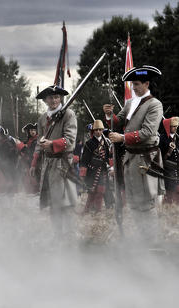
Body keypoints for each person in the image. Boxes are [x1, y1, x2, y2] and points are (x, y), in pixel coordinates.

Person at [104, 65, 164, 243]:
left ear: (147, 84)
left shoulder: (155, 104)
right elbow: (118, 121)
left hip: (146, 160)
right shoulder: (130, 103)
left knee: (146, 204)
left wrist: (122, 138)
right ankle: (142, 238)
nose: (134, 88)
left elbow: (147, 132)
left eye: (137, 84)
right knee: (134, 202)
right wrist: (110, 115)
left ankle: (152, 242)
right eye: (132, 85)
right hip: (131, 159)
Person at [29, 85, 78, 240]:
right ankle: (58, 236)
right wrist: (34, 162)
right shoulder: (43, 119)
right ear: (45, 100)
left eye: (57, 97)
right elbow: (39, 143)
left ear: (61, 98)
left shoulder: (68, 114)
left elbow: (70, 141)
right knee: (52, 203)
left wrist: (52, 144)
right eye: (50, 98)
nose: (54, 100)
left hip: (63, 164)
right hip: (48, 165)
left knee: (66, 203)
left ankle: (69, 236)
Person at [79, 120, 112, 213]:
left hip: (103, 169)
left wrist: (111, 166)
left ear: (102, 130)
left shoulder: (106, 142)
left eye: (100, 129)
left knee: (101, 191)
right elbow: (84, 159)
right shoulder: (89, 143)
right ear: (93, 131)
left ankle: (98, 210)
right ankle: (87, 210)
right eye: (96, 130)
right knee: (92, 191)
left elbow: (108, 156)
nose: (98, 131)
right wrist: (82, 173)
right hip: (92, 170)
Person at [0, 125, 18, 192]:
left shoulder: (9, 140)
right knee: (7, 177)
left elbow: (15, 149)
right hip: (2, 162)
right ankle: (9, 190)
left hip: (10, 161)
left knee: (11, 176)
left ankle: (12, 191)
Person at [159, 116, 179, 205]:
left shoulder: (176, 138)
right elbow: (159, 153)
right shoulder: (162, 138)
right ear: (168, 127)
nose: (175, 128)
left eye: (176, 126)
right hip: (167, 168)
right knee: (170, 188)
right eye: (173, 126)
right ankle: (168, 205)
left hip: (176, 167)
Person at [20, 123, 39, 193]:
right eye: (31, 130)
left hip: (36, 162)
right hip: (28, 162)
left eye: (34, 130)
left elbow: (31, 152)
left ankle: (36, 190)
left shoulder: (37, 140)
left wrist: (22, 147)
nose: (33, 132)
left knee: (34, 177)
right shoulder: (29, 140)